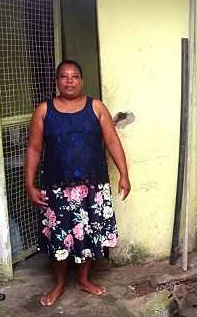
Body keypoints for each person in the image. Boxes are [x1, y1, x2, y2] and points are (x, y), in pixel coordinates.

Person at [24, 59, 131, 306]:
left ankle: (83, 279)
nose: (69, 80)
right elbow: (33, 148)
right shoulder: (44, 110)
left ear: (81, 81)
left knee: (90, 235)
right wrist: (30, 185)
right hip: (57, 186)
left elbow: (113, 142)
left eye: (74, 76)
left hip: (92, 185)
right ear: (57, 81)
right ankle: (60, 283)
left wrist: (124, 174)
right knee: (59, 238)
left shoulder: (96, 108)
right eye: (64, 76)